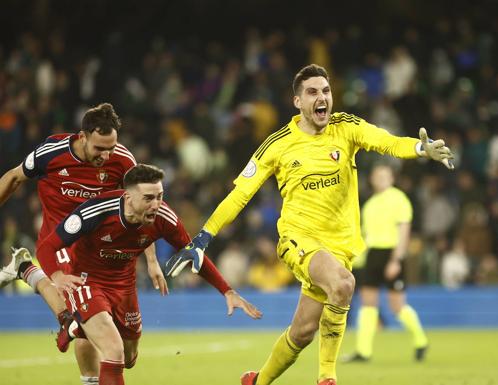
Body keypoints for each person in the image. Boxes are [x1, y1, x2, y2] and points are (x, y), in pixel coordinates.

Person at [165, 63, 454, 385]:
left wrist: (418, 148)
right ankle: (327, 378)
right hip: (298, 238)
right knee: (343, 285)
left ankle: (256, 382)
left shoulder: (347, 127)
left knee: (302, 332)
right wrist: (203, 237)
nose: (322, 98)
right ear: (298, 102)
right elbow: (239, 195)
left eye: (326, 91)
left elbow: (386, 141)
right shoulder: (277, 144)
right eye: (313, 92)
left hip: (339, 246)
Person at [36, 163, 262, 385]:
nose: (156, 205)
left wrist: (227, 290)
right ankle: (70, 312)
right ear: (127, 198)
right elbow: (46, 248)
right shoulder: (95, 211)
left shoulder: (165, 217)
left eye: (160, 196)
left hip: (124, 284)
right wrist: (57, 276)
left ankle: (77, 327)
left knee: (128, 359)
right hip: (87, 281)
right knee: (113, 351)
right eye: (148, 198)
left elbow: (193, 254)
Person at [0, 103, 167, 385]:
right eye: (99, 148)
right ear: (83, 136)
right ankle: (66, 320)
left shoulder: (123, 161)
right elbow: (14, 177)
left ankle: (26, 269)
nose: (106, 155)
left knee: (121, 352)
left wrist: (151, 260)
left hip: (100, 247)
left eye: (111, 147)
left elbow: (142, 209)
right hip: (60, 239)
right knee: (82, 318)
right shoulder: (50, 153)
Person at [342, 163, 428, 363]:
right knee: (368, 303)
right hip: (372, 256)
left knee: (397, 305)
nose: (380, 178)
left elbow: (404, 231)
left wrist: (396, 260)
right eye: (377, 175)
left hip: (391, 253)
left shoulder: (399, 199)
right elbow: (366, 235)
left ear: (391, 178)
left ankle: (421, 340)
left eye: (384, 174)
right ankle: (363, 351)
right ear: (372, 179)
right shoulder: (370, 204)